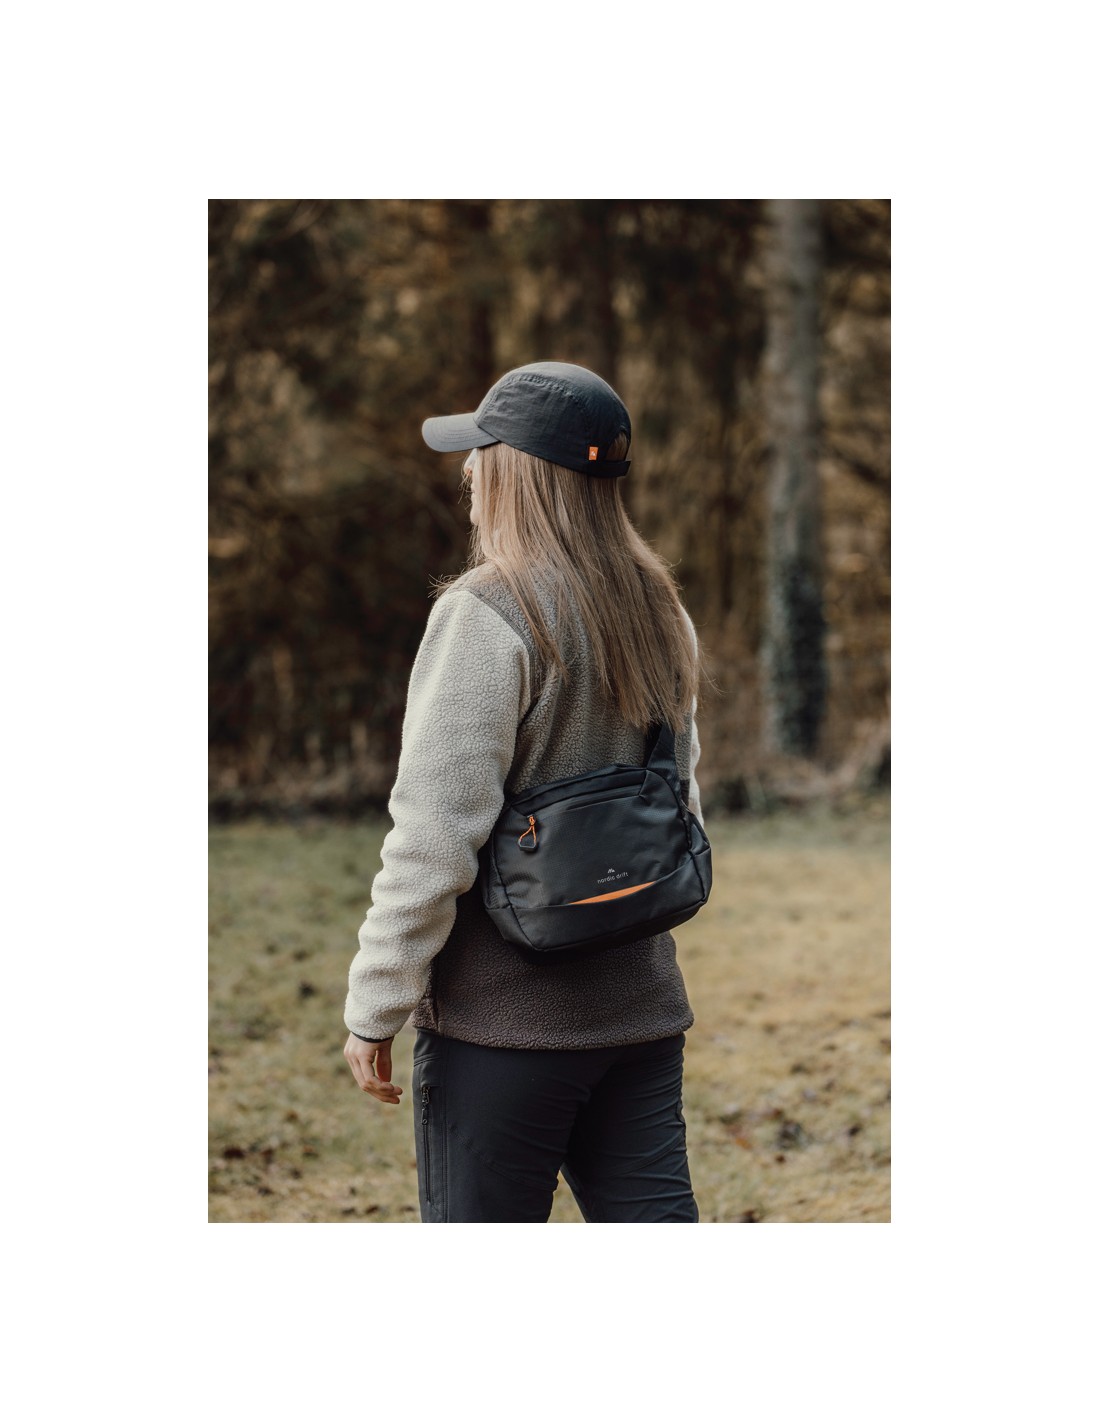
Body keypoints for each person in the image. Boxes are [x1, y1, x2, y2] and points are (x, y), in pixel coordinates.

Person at [343, 361, 705, 1223]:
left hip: (502, 1031)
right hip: (641, 1011)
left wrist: (374, 1006)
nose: (468, 473)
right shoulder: (661, 607)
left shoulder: (487, 612)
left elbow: (433, 838)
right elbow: (680, 804)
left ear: (518, 473)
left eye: (482, 454)